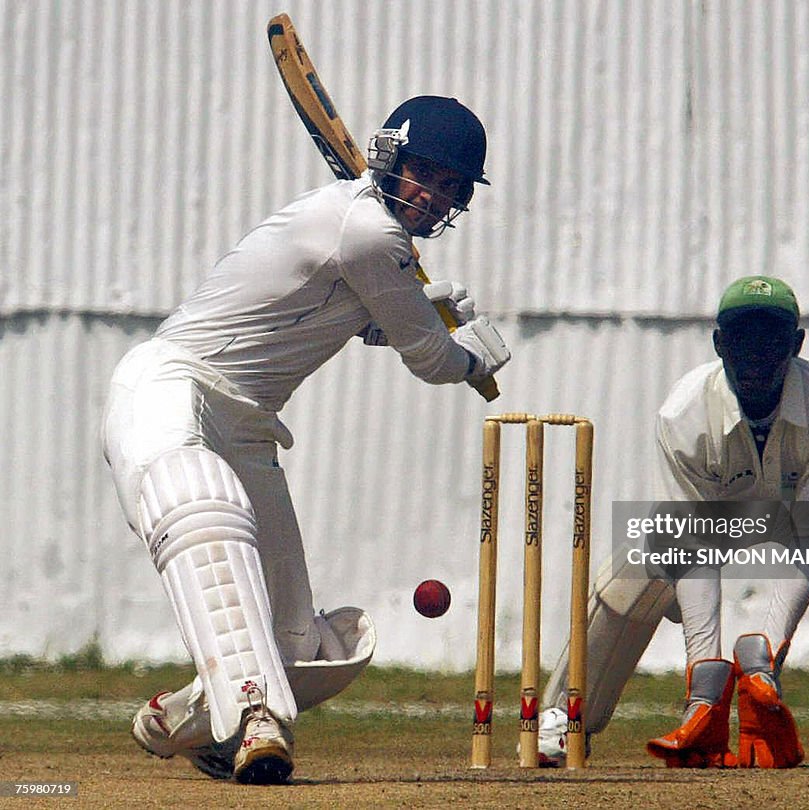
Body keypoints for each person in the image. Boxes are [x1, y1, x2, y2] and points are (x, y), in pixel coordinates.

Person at [101, 96, 510, 784]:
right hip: (171, 385)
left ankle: (182, 723)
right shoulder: (368, 232)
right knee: (201, 504)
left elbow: (357, 321)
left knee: (306, 649)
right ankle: (255, 714)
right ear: (390, 158)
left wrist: (420, 312)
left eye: (450, 186)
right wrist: (471, 354)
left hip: (247, 424)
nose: (434, 194)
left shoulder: (376, 243)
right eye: (426, 174)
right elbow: (431, 362)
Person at [536, 276, 809, 769]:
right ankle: (564, 716)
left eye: (770, 337)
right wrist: (704, 682)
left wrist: (763, 662)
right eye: (741, 336)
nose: (755, 352)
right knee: (639, 567)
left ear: (796, 343)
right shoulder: (684, 413)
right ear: (718, 342)